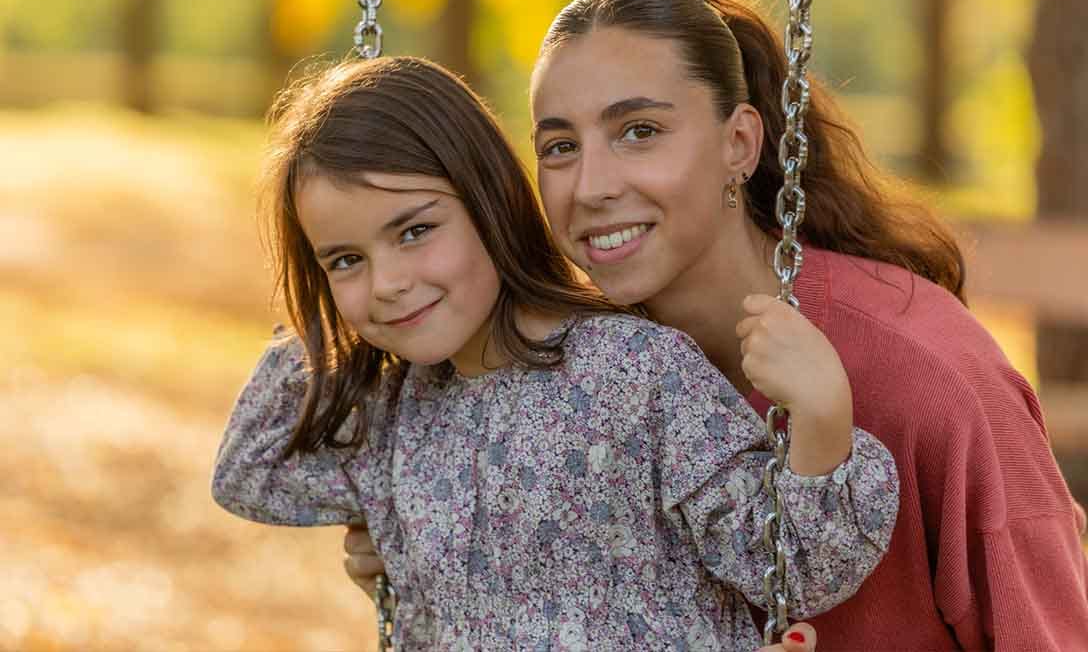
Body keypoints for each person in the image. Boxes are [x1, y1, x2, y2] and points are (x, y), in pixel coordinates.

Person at [344, 0, 1088, 649]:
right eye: (561, 146)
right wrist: (430, 546)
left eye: (640, 131)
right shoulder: (585, 369)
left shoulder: (926, 380)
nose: (592, 185)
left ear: (739, 142)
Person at [211, 55, 899, 651]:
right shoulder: (395, 411)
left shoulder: (635, 373)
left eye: (416, 230)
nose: (388, 283)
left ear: (490, 202)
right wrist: (327, 316)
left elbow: (792, 570)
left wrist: (822, 413)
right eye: (345, 259)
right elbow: (250, 475)